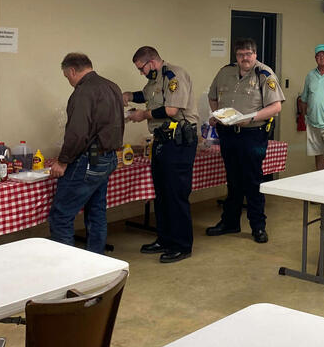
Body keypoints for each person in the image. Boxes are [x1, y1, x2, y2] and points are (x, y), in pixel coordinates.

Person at [123, 46, 199, 264]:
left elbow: (171, 110)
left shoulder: (174, 75)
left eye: (142, 68)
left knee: (176, 194)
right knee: (162, 194)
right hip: (162, 141)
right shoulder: (155, 79)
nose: (141, 73)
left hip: (179, 142)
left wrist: (142, 115)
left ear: (152, 62)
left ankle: (182, 245)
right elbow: (147, 95)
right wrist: (129, 96)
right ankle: (165, 239)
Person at [205, 38, 285, 243]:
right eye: (240, 54)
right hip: (228, 133)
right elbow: (212, 94)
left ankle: (258, 226)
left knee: (252, 181)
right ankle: (230, 222)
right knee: (232, 180)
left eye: (248, 54)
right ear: (236, 56)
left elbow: (276, 107)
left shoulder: (264, 74)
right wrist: (216, 114)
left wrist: (250, 117)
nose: (244, 58)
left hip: (252, 134)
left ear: (255, 55)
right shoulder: (225, 72)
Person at [49, 52, 124, 254]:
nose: (69, 82)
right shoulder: (112, 86)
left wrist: (63, 162)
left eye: (67, 77)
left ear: (72, 71)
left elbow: (77, 133)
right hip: (108, 157)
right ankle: (96, 261)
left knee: (61, 216)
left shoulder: (83, 92)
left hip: (88, 161)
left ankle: (67, 266)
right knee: (96, 212)